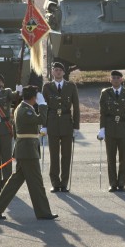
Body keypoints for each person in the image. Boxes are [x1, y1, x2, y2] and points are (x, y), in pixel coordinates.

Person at [0, 86, 58, 220]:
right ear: (34, 97)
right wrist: (43, 105)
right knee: (36, 183)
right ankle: (43, 212)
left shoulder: (23, 108)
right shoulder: (25, 110)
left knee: (15, 180)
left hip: (25, 149)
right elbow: (41, 120)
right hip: (28, 151)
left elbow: (19, 130)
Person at [42, 62, 80, 192]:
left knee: (66, 155)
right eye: (55, 70)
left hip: (66, 123)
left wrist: (76, 126)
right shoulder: (47, 87)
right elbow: (43, 107)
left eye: (60, 70)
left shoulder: (71, 86)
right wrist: (44, 125)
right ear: (52, 72)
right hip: (52, 123)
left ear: (64, 73)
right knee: (53, 155)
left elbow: (76, 107)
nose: (58, 72)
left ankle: (64, 183)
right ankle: (55, 182)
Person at [97, 70, 125, 192]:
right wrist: (102, 129)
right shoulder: (105, 93)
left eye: (117, 78)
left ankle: (121, 183)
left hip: (124, 128)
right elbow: (102, 113)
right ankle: (113, 183)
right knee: (111, 158)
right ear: (110, 80)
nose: (115, 79)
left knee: (123, 158)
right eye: (113, 78)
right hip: (110, 128)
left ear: (122, 80)